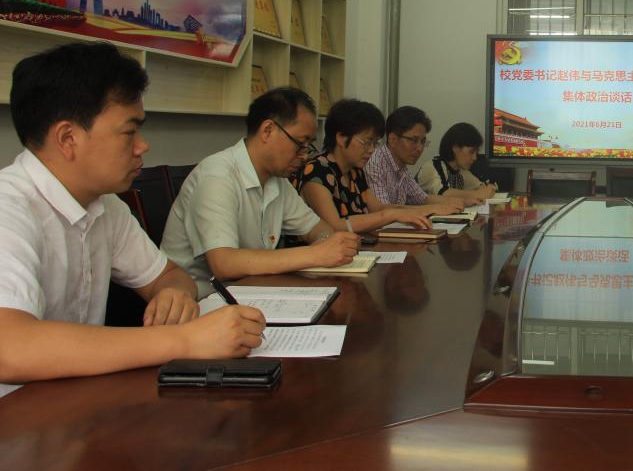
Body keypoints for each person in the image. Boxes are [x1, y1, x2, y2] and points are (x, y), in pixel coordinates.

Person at [0, 43, 265, 397]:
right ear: (68, 138)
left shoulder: (104, 205)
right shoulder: (9, 208)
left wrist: (173, 294)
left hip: (73, 402)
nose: (142, 146)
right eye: (129, 132)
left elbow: (169, 275)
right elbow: (11, 349)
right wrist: (184, 340)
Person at [161, 88, 360, 298]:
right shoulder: (217, 176)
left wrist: (328, 243)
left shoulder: (277, 181)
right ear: (267, 131)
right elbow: (224, 263)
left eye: (308, 147)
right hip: (198, 301)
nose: (304, 156)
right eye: (301, 144)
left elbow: (317, 229)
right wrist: (315, 254)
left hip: (249, 293)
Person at [294, 98, 432, 232]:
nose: (371, 150)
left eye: (375, 143)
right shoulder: (316, 172)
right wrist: (392, 215)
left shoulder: (355, 172)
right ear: (341, 138)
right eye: (367, 142)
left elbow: (378, 209)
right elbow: (334, 225)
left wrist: (422, 211)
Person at [364, 105, 466, 211]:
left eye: (423, 141)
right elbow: (383, 210)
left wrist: (458, 201)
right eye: (414, 140)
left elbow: (423, 199)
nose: (420, 148)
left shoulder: (402, 167)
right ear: (393, 139)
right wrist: (434, 208)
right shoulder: (374, 163)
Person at [416, 122, 497, 203]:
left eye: (476, 152)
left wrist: (486, 189)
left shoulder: (461, 171)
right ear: (455, 148)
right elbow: (442, 194)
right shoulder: (432, 167)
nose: (475, 158)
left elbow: (481, 187)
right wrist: (478, 194)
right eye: (471, 152)